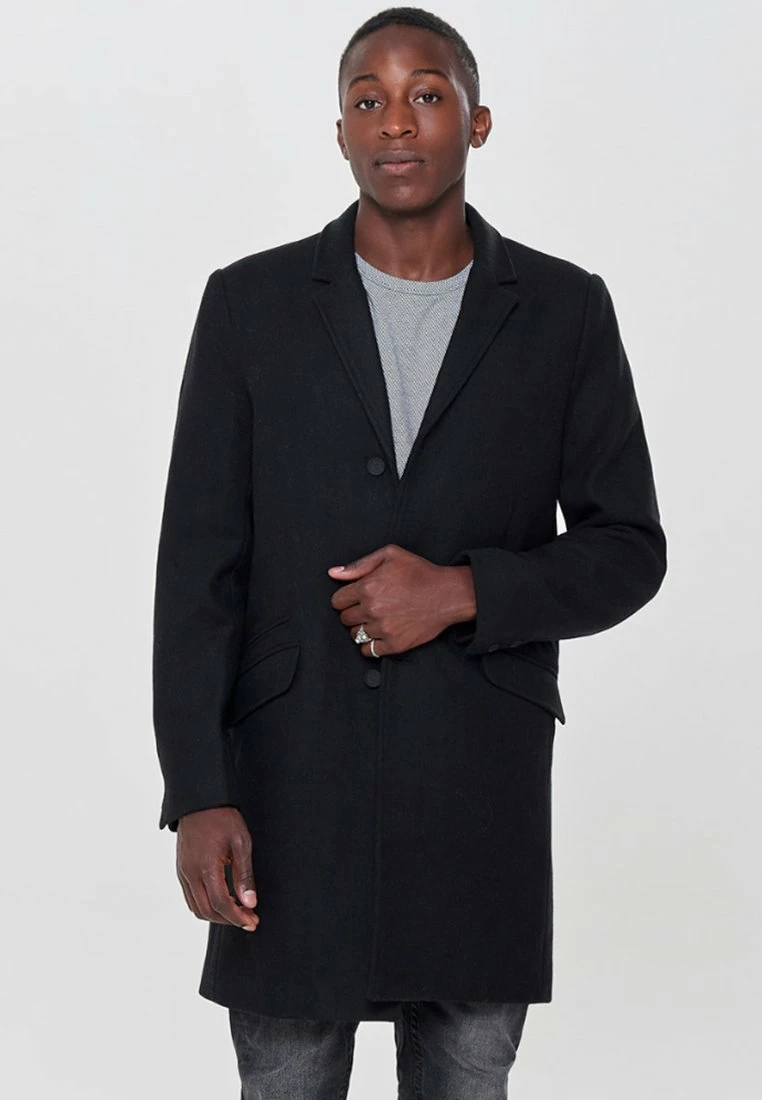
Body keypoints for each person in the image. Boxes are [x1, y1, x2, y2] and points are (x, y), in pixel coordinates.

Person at [152, 6, 668, 1098]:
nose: (396, 120)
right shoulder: (249, 306)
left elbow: (629, 547)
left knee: (468, 1071)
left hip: (477, 793)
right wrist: (197, 789)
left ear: (476, 122)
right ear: (339, 130)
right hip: (288, 794)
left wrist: (466, 590)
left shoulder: (565, 311)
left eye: (426, 94)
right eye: (368, 98)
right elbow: (198, 572)